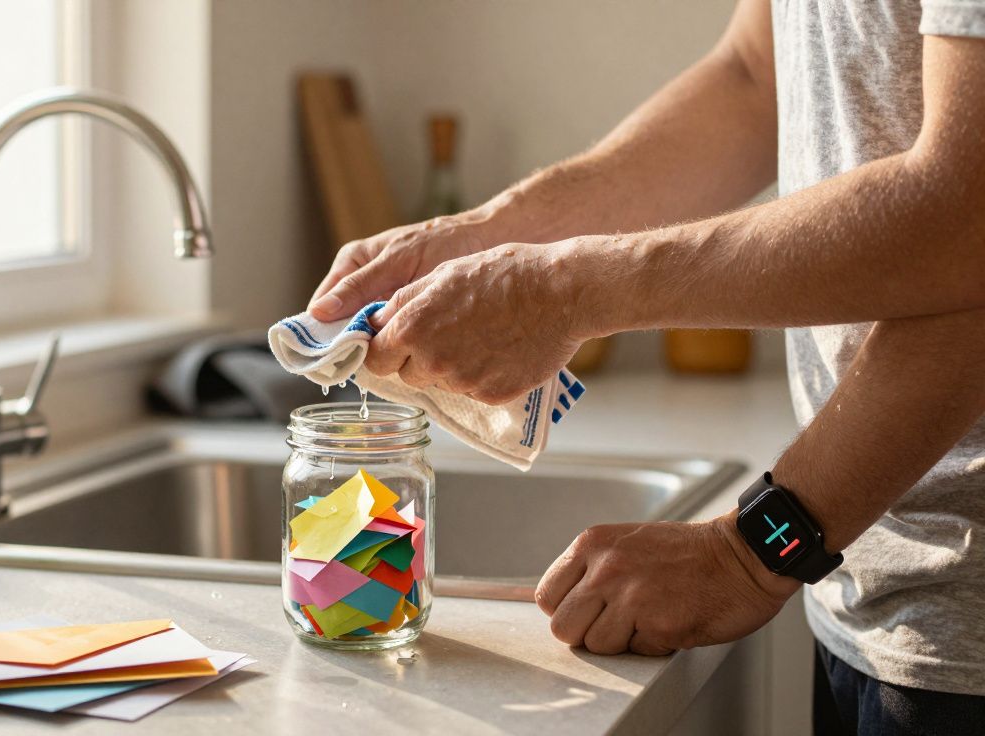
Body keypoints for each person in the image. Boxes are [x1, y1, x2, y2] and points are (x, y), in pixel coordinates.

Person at [305, 0, 985, 732]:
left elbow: (967, 217)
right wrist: (484, 234)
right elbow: (754, 75)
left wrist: (750, 553)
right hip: (869, 575)